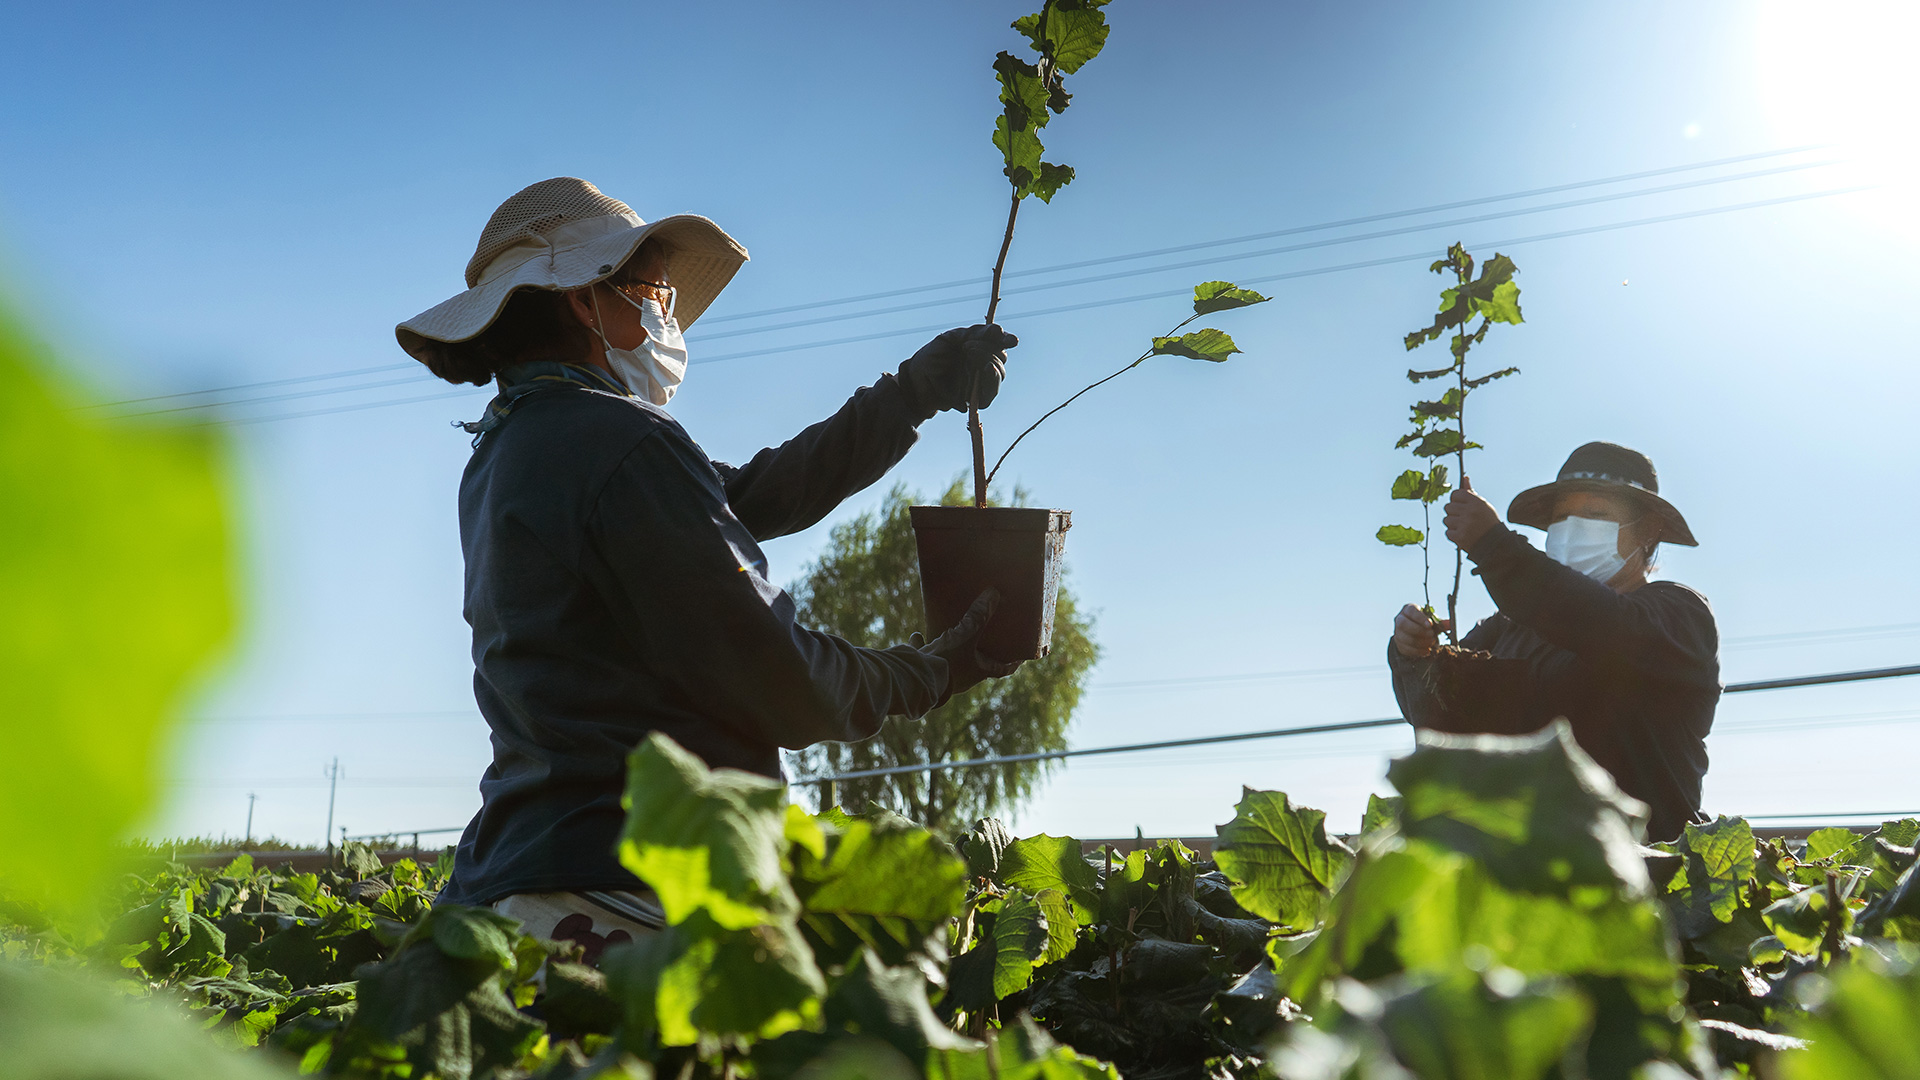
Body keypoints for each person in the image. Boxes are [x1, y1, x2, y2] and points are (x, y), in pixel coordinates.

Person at [394, 177, 1021, 951]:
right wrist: (929, 673)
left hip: (523, 879)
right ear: (580, 297)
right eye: (651, 289)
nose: (666, 312)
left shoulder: (517, 447)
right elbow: (781, 678)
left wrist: (907, 396)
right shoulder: (618, 446)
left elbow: (750, 495)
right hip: (618, 901)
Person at [1387, 442, 1720, 840]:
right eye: (1562, 517)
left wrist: (1494, 547)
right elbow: (1439, 720)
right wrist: (1413, 652)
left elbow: (1601, 624)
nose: (1573, 528)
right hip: (1523, 869)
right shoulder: (1507, 627)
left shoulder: (1678, 617)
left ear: (1647, 530)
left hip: (1649, 873)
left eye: (1596, 514)